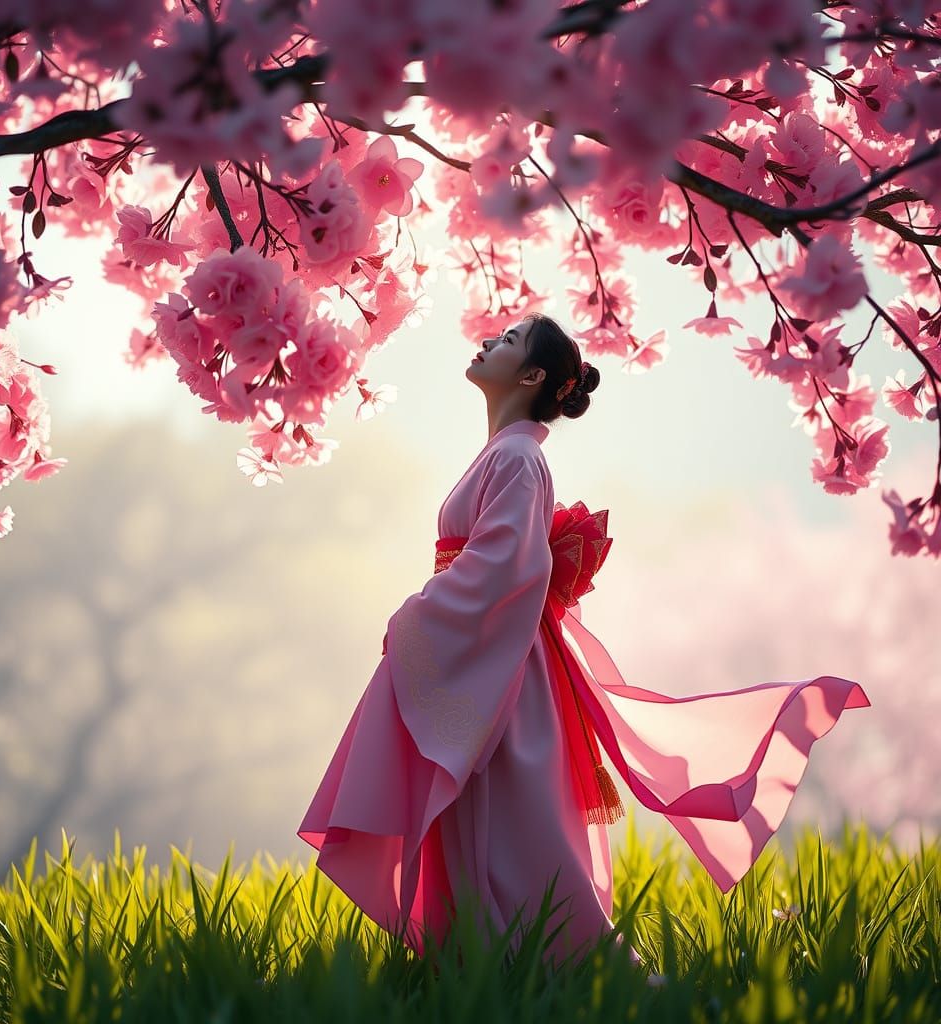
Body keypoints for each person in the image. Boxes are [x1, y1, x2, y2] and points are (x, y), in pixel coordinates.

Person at [297, 312, 870, 974]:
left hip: (499, 667)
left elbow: (505, 562)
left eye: (507, 342)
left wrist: (417, 615)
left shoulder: (517, 456)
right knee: (491, 830)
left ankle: (574, 973)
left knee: (512, 834)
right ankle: (484, 971)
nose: (487, 343)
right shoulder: (508, 454)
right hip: (486, 652)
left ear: (533, 375)